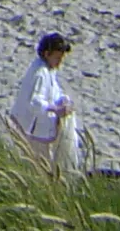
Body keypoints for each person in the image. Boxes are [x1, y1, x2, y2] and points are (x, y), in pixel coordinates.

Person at [8, 33, 78, 174]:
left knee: (42, 164)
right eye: (58, 58)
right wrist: (56, 109)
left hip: (36, 125)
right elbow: (35, 102)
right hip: (30, 126)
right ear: (47, 54)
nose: (60, 62)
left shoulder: (49, 70)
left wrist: (63, 100)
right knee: (40, 166)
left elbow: (54, 90)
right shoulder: (40, 73)